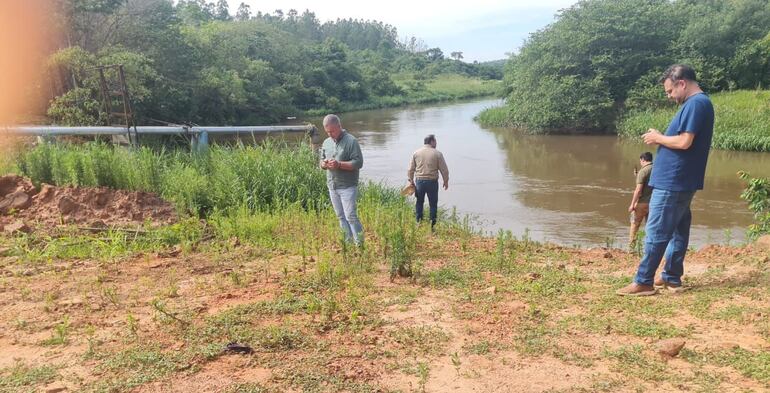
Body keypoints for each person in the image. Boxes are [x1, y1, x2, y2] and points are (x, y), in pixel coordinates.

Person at [617, 64, 714, 296]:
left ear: (682, 83)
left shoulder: (696, 104)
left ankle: (644, 281)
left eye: (670, 91)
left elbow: (684, 142)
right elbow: (682, 140)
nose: (670, 96)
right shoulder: (698, 104)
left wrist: (658, 138)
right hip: (681, 180)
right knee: (679, 230)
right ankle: (671, 277)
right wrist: (661, 137)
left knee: (656, 230)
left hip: (674, 181)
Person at [319, 114, 364, 246]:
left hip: (348, 186)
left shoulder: (351, 141)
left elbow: (358, 163)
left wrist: (339, 164)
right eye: (327, 132)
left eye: (332, 131)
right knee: (340, 216)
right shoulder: (326, 143)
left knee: (351, 216)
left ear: (339, 126)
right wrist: (324, 164)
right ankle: (347, 244)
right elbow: (321, 161)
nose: (330, 134)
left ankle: (359, 245)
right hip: (332, 185)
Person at [407, 134, 449, 230]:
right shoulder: (437, 153)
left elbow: (410, 169)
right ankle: (432, 226)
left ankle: (419, 223)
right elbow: (444, 170)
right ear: (432, 142)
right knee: (433, 204)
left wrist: (411, 180)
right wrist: (446, 181)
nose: (436, 143)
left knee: (419, 202)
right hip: (432, 182)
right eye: (435, 141)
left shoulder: (416, 153)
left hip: (420, 182)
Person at [628, 152, 654, 250]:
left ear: (643, 159)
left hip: (642, 203)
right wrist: (638, 175)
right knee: (650, 226)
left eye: (640, 161)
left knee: (634, 224)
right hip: (654, 203)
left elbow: (638, 190)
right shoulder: (656, 169)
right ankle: (649, 249)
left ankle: (631, 249)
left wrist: (632, 204)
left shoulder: (643, 171)